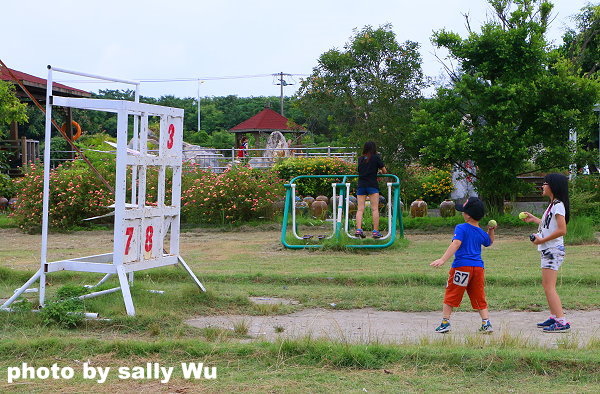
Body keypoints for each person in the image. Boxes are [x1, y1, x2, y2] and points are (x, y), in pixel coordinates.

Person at [430, 197, 496, 333]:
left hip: (461, 267)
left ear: (468, 215)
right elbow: (489, 242)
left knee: (452, 292)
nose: (462, 213)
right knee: (479, 294)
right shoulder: (481, 232)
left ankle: (445, 322)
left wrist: (443, 259)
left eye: (464, 211)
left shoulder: (461, 228)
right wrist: (491, 230)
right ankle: (486, 323)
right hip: (478, 268)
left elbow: (456, 243)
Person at [520, 173, 570, 332]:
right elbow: (550, 225)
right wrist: (535, 219)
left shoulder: (558, 205)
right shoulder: (553, 205)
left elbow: (562, 230)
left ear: (553, 186)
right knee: (546, 285)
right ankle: (554, 317)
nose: (542, 186)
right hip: (549, 249)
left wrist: (541, 240)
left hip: (552, 250)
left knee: (549, 286)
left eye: (545, 183)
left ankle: (562, 322)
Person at [355, 141, 387, 239]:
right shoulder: (376, 157)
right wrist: (380, 172)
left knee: (360, 209)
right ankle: (375, 231)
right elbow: (384, 171)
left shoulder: (360, 159)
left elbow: (359, 170)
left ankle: (359, 229)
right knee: (374, 209)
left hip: (361, 185)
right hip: (372, 185)